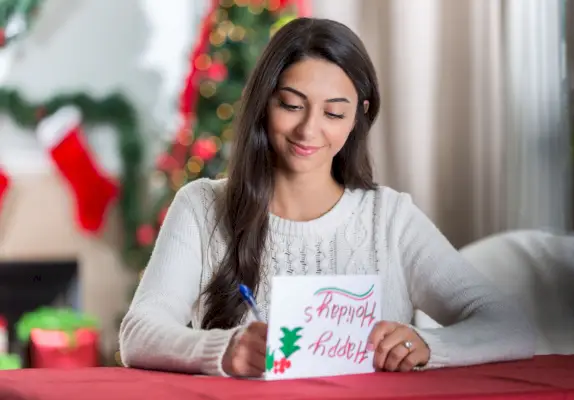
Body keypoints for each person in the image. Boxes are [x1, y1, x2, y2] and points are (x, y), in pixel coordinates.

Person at [119, 17, 535, 377]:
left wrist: (429, 347)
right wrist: (223, 350)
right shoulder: (201, 206)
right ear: (264, 104)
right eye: (291, 105)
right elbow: (138, 333)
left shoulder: (389, 218)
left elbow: (511, 327)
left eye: (334, 113)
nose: (308, 131)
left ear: (358, 115)